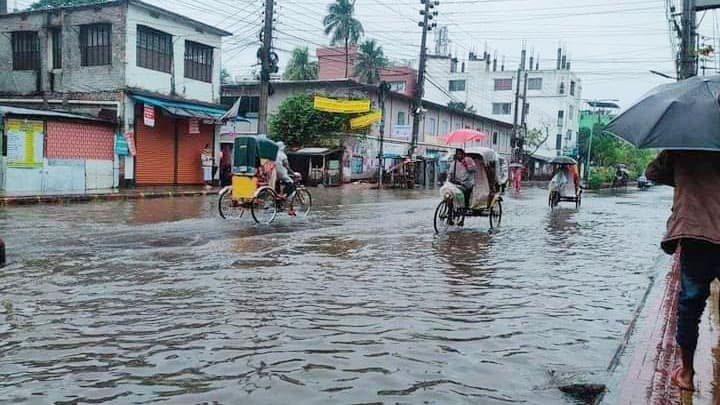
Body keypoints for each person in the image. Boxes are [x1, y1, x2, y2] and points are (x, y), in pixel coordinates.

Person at [646, 150, 720, 392]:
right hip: (701, 233)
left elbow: (652, 173)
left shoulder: (682, 145)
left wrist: (682, 175)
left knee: (690, 307)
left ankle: (686, 374)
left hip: (696, 235)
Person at [449, 148, 477, 218]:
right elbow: (450, 172)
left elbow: (474, 169)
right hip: (457, 183)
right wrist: (450, 179)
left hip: (467, 183)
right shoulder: (454, 162)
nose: (459, 155)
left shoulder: (468, 160)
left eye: (460, 154)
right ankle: (450, 212)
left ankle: (465, 209)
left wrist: (467, 165)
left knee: (466, 194)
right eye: (457, 154)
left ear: (463, 154)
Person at [275, 142, 297, 215]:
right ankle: (284, 195)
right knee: (291, 183)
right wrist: (293, 173)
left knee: (277, 185)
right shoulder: (282, 155)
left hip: (274, 174)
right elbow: (287, 166)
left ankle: (278, 204)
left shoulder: (273, 154)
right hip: (281, 173)